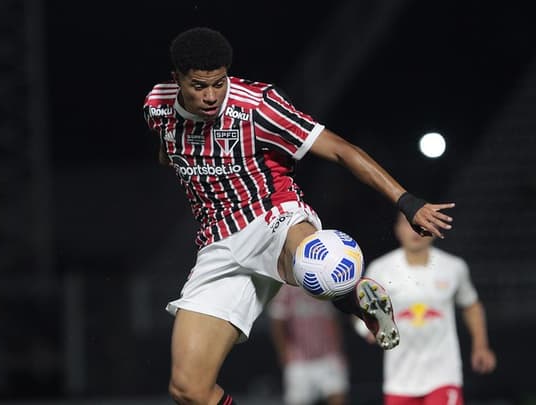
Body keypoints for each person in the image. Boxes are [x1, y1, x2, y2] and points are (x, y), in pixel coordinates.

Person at [143, 26, 455, 405]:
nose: (211, 96)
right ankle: (345, 292)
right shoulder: (156, 106)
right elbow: (167, 148)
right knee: (188, 389)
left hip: (274, 215)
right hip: (218, 244)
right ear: (176, 79)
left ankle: (353, 297)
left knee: (315, 259)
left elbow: (341, 149)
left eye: (219, 83)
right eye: (198, 86)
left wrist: (406, 201)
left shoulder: (258, 105)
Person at [354, 212, 496, 405]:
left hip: (444, 376)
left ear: (435, 229)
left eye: (422, 224)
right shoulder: (381, 269)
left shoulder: (454, 267)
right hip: (400, 380)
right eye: (408, 224)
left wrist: (480, 345)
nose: (415, 230)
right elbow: (361, 312)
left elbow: (470, 305)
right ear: (397, 230)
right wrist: (369, 328)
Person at [268, 284, 349, 405]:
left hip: (328, 355)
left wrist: (338, 349)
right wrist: (284, 354)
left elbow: (334, 318)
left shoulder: (327, 283)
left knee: (338, 398)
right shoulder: (285, 289)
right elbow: (277, 322)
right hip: (299, 359)